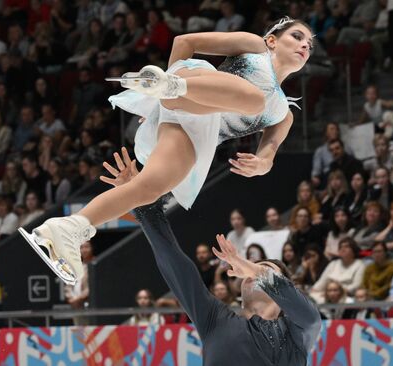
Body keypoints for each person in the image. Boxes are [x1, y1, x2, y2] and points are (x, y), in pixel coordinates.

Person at [22, 17, 315, 283]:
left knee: (150, 188)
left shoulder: (282, 113)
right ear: (273, 40)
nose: (305, 44)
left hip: (199, 129)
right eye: (298, 36)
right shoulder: (255, 47)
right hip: (188, 83)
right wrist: (167, 84)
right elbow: (184, 42)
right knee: (253, 100)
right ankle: (168, 86)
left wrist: (261, 165)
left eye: (310, 44)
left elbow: (269, 153)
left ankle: (68, 229)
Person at [107, 149, 320, 363]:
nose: (252, 272)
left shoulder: (296, 332)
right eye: (251, 270)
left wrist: (253, 270)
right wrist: (141, 202)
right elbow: (176, 265)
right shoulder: (215, 319)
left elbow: (310, 318)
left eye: (265, 268)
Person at [310, 237, 366, 303]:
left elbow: (356, 285)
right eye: (341, 247)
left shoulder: (359, 264)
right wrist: (314, 289)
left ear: (353, 250)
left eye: (346, 247)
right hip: (328, 294)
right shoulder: (333, 264)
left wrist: (337, 292)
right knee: (312, 297)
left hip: (347, 296)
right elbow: (322, 280)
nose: (343, 249)